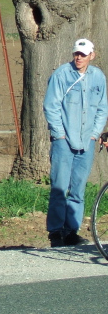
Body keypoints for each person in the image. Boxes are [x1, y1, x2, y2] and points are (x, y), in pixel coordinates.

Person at [43, 38, 108, 247]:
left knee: (78, 189)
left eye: (83, 54)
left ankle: (72, 230)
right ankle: (55, 232)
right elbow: (51, 106)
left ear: (92, 55)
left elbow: (102, 108)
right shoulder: (61, 74)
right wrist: (59, 134)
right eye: (76, 54)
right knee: (59, 187)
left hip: (86, 142)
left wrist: (94, 133)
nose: (78, 58)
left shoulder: (98, 77)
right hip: (64, 140)